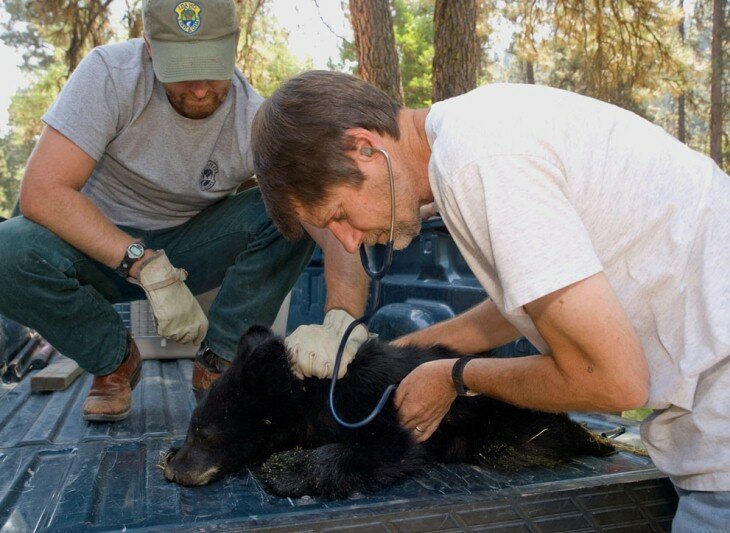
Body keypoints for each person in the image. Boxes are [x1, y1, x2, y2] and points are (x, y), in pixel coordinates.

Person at [250, 70, 729, 531]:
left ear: (365, 149)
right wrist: (407, 355)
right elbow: (536, 303)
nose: (350, 242)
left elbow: (612, 382)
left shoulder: (480, 166)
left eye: (340, 215)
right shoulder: (477, 136)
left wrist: (454, 375)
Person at [0, 2, 368, 422]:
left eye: (211, 67)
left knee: (288, 209)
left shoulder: (254, 120)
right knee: (6, 250)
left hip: (191, 250)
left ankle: (221, 364)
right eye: (182, 69)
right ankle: (113, 357)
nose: (198, 88)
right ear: (150, 47)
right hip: (91, 246)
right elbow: (42, 192)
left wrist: (341, 320)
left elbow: (334, 219)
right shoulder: (109, 74)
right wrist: (145, 266)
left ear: (233, 44)